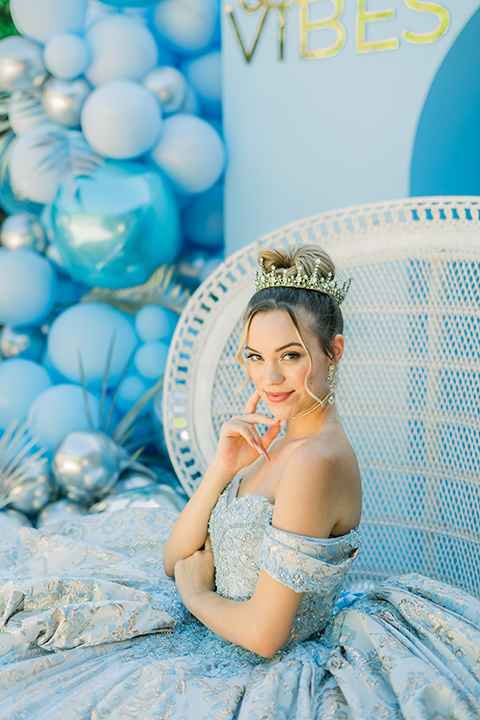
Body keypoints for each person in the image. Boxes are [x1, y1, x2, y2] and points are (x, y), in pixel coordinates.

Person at [0, 244, 479, 719]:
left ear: (333, 352)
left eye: (290, 356)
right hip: (212, 633)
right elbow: (175, 560)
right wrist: (223, 469)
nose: (268, 377)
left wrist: (195, 595)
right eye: (254, 356)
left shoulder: (316, 461)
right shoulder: (277, 440)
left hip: (255, 662)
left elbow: (264, 635)